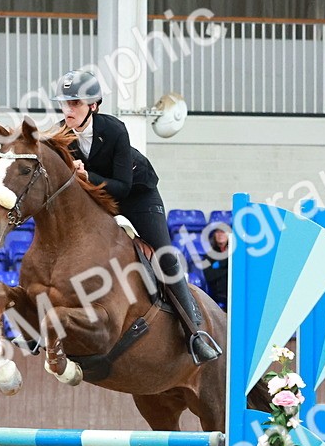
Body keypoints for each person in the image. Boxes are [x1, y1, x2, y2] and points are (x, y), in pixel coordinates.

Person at [51, 69, 221, 364]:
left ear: (93, 105)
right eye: (65, 104)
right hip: (97, 199)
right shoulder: (61, 135)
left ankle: (195, 332)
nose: (68, 110)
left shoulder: (114, 130)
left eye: (75, 104)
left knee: (165, 255)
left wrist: (85, 173)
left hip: (137, 195)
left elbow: (122, 186)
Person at [202, 226, 229, 311]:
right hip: (218, 295)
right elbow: (209, 276)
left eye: (223, 231)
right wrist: (225, 265)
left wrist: (219, 269)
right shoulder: (209, 255)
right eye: (218, 232)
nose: (220, 234)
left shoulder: (235, 254)